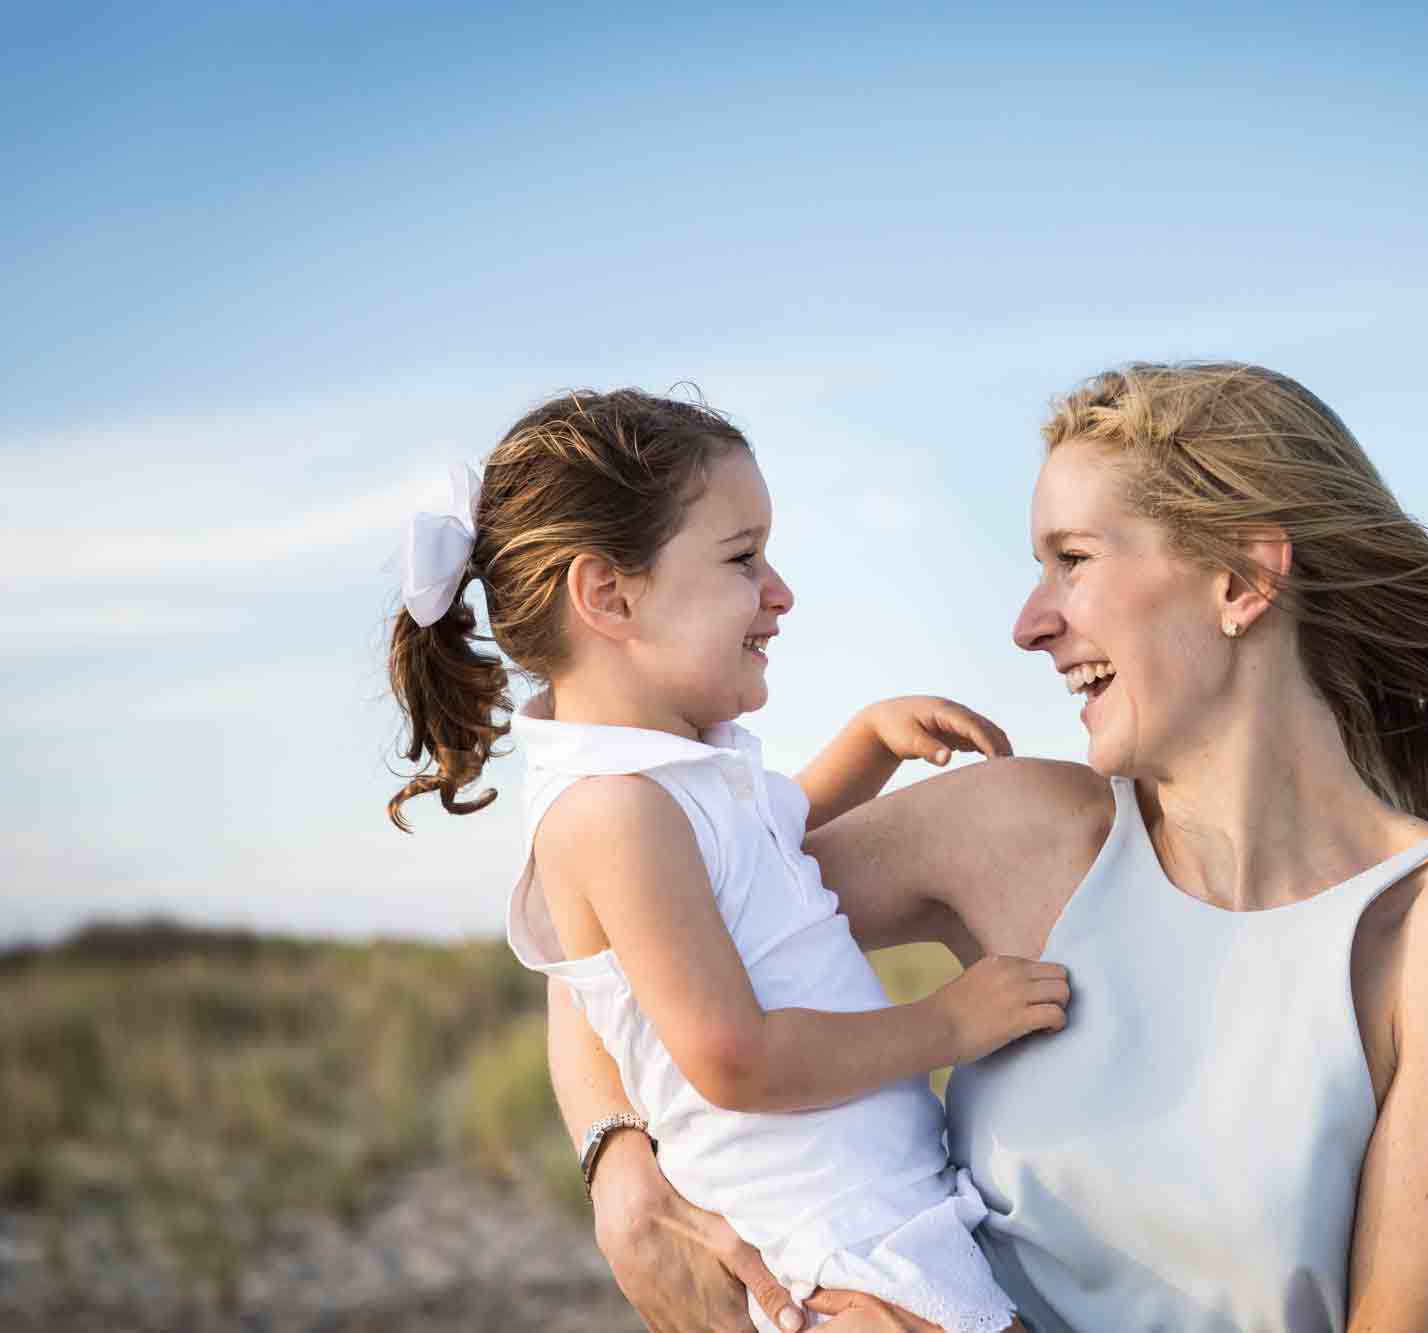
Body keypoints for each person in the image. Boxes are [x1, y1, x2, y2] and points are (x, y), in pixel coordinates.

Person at [556, 363, 1428, 1332]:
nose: (1027, 623)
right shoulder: (1013, 829)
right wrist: (620, 1170)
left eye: (1072, 561)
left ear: (1241, 580)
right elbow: (619, 933)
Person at [385, 388, 1076, 1333]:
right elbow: (733, 1057)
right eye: (742, 558)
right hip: (834, 1258)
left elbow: (765, 835)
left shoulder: (673, 775)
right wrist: (946, 1023)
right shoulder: (612, 812)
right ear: (610, 595)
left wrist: (868, 741)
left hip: (875, 1221)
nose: (780, 591)